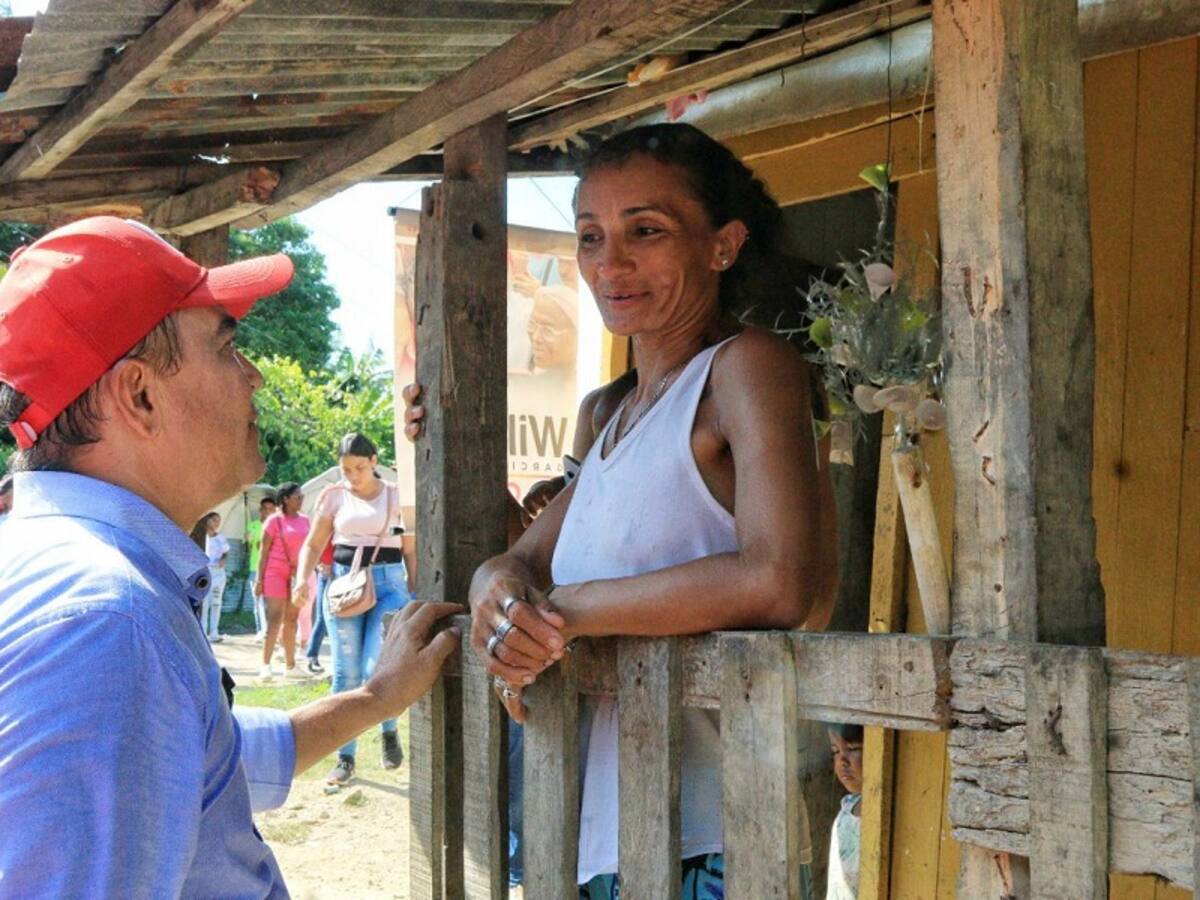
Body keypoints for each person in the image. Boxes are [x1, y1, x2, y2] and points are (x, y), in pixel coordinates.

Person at [0, 215, 460, 896]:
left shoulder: (70, 573)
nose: (254, 378)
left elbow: (200, 761)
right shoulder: (106, 623)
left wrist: (374, 696)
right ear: (141, 395)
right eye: (226, 348)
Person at [460, 123, 838, 898]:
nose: (611, 263)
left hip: (717, 838)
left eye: (646, 231)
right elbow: (524, 560)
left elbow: (781, 581)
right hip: (605, 832)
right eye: (591, 236)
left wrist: (566, 614)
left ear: (722, 245)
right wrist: (495, 599)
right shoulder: (615, 415)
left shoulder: (746, 370)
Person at [294, 432, 417, 784]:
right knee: (345, 674)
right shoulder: (333, 496)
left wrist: (415, 587)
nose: (352, 475)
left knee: (376, 666)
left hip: (390, 584)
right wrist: (301, 580)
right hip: (345, 586)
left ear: (375, 462)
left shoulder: (396, 496)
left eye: (359, 467)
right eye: (346, 469)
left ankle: (389, 730)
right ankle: (345, 757)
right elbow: (313, 544)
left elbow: (409, 550)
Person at [256, 481, 308, 678]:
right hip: (275, 573)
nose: (301, 500)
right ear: (285, 499)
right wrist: (259, 580)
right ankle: (265, 665)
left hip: (296, 575)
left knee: (292, 620)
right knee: (275, 619)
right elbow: (263, 552)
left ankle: (291, 665)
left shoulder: (305, 520)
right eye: (298, 497)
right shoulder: (273, 521)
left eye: (302, 497)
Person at [827, 724, 863, 899]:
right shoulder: (848, 805)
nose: (842, 761)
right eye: (835, 751)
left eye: (853, 749)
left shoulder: (878, 814)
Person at [247, 493, 276, 638]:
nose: (268, 512)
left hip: (273, 568)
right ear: (260, 510)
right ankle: (261, 630)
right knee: (257, 600)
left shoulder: (277, 526)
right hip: (255, 567)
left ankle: (271, 629)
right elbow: (254, 545)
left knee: (271, 601)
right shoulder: (252, 526)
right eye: (265, 509)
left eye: (271, 509)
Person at [305, 538, 334, 674]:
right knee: (322, 618)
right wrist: (320, 565)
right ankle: (312, 656)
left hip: (343, 575)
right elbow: (313, 547)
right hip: (326, 574)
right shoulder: (327, 527)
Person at [202, 511, 229, 643]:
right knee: (204, 603)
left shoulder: (221, 538)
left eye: (218, 521)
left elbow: (226, 553)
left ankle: (214, 632)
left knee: (216, 602)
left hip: (218, 573)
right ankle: (202, 631)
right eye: (214, 520)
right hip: (204, 572)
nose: (216, 523)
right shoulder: (202, 537)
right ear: (207, 520)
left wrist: (223, 560)